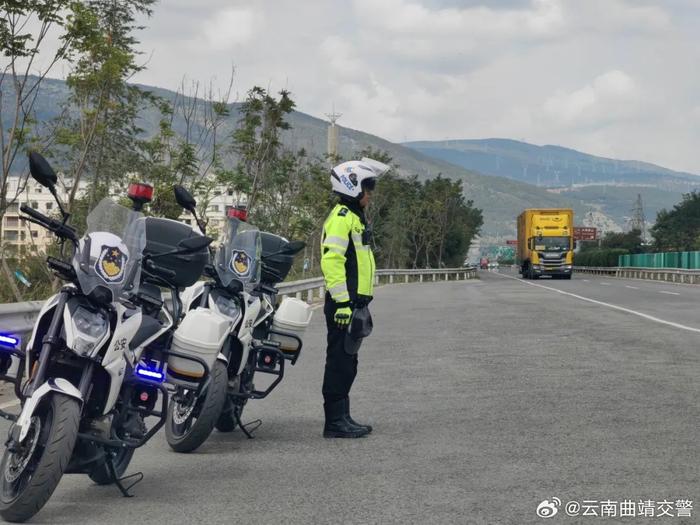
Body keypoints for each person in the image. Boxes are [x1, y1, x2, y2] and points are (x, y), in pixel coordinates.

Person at [320, 158, 388, 438]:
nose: (370, 195)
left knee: (348, 363)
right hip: (342, 306)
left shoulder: (353, 218)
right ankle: (334, 423)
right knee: (339, 362)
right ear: (353, 188)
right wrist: (343, 303)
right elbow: (331, 261)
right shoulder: (340, 219)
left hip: (354, 304)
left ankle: (343, 416)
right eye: (367, 190)